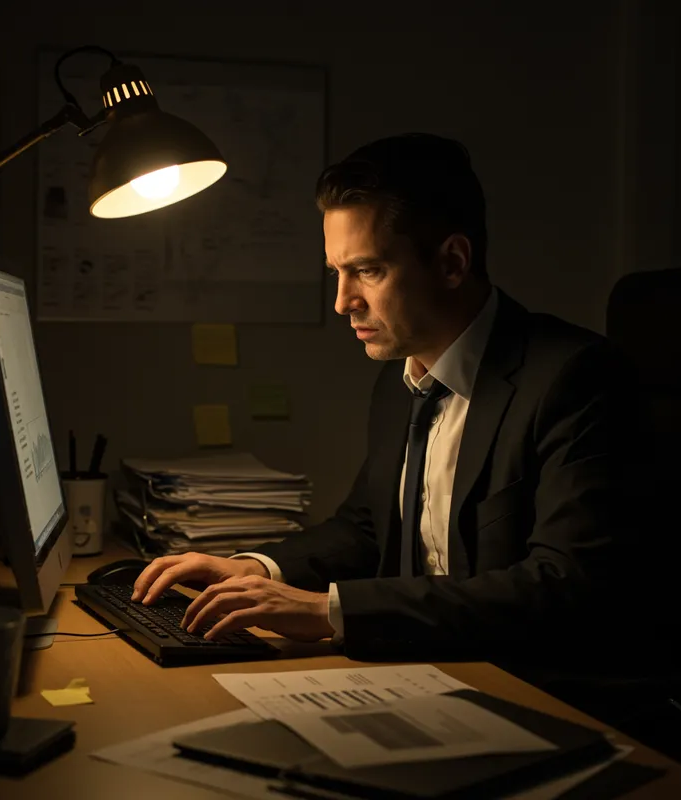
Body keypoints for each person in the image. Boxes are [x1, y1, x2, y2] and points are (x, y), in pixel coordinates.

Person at [132, 133, 641, 661]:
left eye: (368, 271)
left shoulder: (574, 377)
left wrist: (327, 611)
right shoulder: (403, 376)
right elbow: (369, 528)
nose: (342, 302)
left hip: (539, 685)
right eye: (336, 273)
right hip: (429, 668)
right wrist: (257, 568)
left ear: (451, 262)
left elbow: (562, 583)